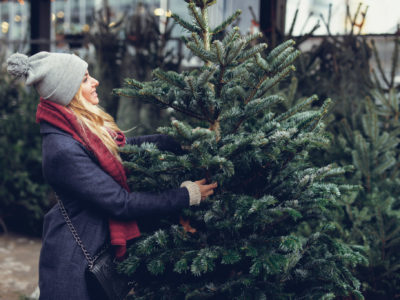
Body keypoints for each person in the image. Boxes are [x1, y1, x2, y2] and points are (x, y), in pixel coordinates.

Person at [7, 51, 217, 300]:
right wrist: (186, 195)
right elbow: (121, 204)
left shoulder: (77, 129)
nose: (95, 81)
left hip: (91, 251)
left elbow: (122, 148)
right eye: (85, 79)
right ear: (69, 92)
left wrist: (178, 141)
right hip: (74, 266)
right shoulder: (63, 150)